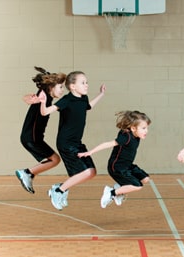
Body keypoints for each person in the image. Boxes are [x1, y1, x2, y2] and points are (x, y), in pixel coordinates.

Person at [39, 71, 106, 210]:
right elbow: (45, 112)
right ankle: (58, 191)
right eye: (83, 83)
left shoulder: (83, 98)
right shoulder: (66, 100)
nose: (86, 85)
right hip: (66, 143)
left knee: (92, 172)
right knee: (86, 172)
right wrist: (43, 102)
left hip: (77, 142)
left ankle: (60, 188)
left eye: (87, 82)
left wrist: (101, 95)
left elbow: (87, 108)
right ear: (73, 86)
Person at [78, 110, 151, 208]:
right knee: (137, 186)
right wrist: (90, 152)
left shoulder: (136, 135)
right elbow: (107, 144)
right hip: (117, 168)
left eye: (147, 128)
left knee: (145, 179)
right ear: (133, 128)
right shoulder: (126, 137)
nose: (146, 131)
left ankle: (120, 187)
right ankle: (111, 193)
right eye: (143, 128)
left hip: (127, 165)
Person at [15, 67, 66, 194]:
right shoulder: (45, 97)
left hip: (32, 137)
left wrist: (29, 98)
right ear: (51, 87)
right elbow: (30, 98)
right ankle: (27, 173)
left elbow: (27, 98)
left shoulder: (44, 95)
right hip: (31, 138)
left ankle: (29, 174)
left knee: (55, 159)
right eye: (60, 87)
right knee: (55, 160)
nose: (62, 90)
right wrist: (32, 99)